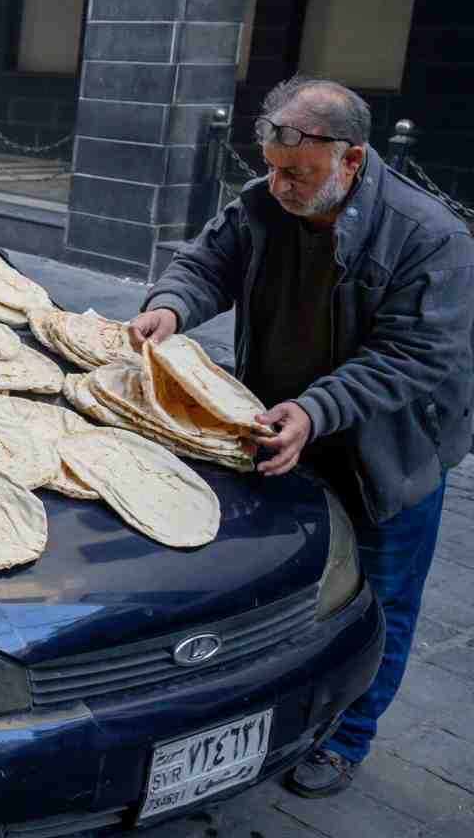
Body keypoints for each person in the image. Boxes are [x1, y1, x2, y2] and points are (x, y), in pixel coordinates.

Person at [130, 75, 474, 799]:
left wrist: (317, 409)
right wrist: (169, 306)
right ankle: (272, 706)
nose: (281, 185)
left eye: (300, 174)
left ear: (350, 161)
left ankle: (348, 738)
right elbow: (205, 264)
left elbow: (413, 356)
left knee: (382, 596)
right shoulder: (263, 201)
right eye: (274, 168)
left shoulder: (430, 236)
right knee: (283, 578)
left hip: (390, 452)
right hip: (284, 426)